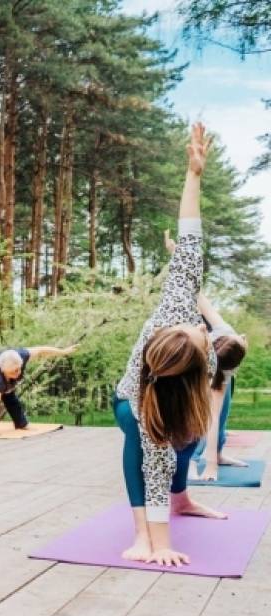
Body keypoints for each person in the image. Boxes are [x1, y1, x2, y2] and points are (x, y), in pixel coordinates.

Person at [112, 122, 226, 569]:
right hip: (130, 401)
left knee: (187, 443)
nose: (204, 328)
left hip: (171, 397)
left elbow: (190, 239)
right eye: (203, 333)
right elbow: (154, 474)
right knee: (147, 449)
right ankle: (140, 530)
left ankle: (185, 500)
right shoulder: (148, 402)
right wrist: (158, 546)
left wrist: (194, 175)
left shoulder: (177, 308)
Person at [190, 293, 248, 480]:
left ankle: (218, 453)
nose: (244, 337)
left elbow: (204, 302)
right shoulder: (218, 369)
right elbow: (211, 419)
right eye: (242, 340)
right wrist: (210, 467)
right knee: (206, 415)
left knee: (223, 412)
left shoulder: (226, 330)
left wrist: (196, 289)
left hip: (217, 365)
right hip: (194, 371)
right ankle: (191, 460)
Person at [0, 344, 76, 434]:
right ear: (4, 370)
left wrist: (64, 351)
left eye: (18, 369)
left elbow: (42, 350)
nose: (18, 373)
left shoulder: (22, 355)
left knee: (9, 394)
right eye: (13, 372)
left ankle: (21, 423)